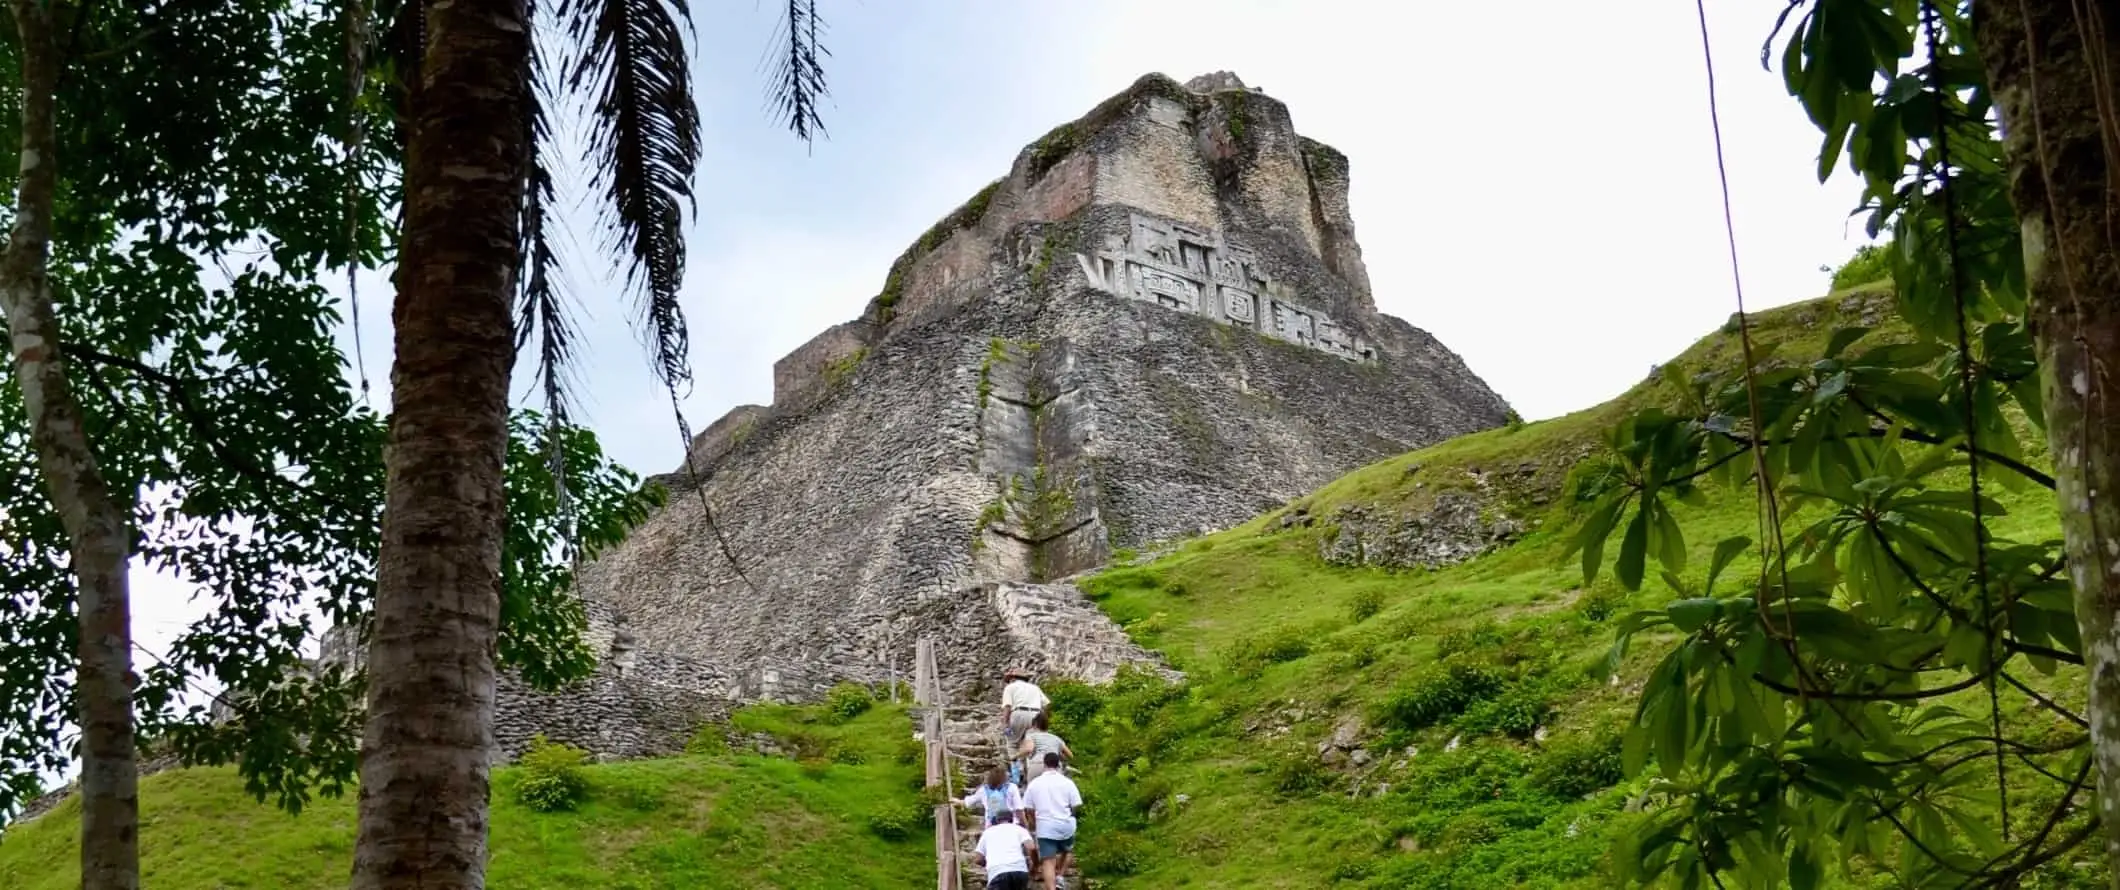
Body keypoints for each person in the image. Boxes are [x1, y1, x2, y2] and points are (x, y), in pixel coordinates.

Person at [1021, 752, 1083, 890]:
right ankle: (1060, 875)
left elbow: (1028, 808)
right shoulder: (1068, 782)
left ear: (1044, 765)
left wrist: (1033, 822)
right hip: (1066, 824)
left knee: (1048, 861)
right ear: (1059, 764)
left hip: (1045, 826)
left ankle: (1051, 887)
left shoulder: (1035, 784)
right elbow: (1076, 804)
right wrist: (1071, 816)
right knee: (1068, 851)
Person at [972, 809, 1038, 890]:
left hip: (997, 872)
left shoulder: (988, 832)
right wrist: (1034, 864)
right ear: (1011, 819)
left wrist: (987, 863)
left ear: (996, 820)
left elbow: (977, 858)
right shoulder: (1019, 829)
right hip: (1019, 871)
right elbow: (1031, 847)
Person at [958, 765, 1026, 828]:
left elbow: (968, 801)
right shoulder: (1012, 787)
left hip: (991, 827)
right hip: (1011, 825)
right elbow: (1019, 810)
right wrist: (1024, 825)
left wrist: (956, 801)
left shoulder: (983, 790)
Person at [1017, 710, 1074, 783]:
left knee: (1033, 790)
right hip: (1054, 767)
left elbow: (1029, 749)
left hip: (1038, 764)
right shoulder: (1056, 738)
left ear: (1035, 724)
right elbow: (1070, 755)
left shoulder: (1031, 736)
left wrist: (1015, 756)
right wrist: (1060, 756)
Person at [998, 667, 1049, 748]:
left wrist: (1005, 724)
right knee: (1034, 744)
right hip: (1036, 716)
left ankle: (1016, 759)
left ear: (1013, 678)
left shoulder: (1010, 687)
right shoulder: (1035, 687)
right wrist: (1044, 720)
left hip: (1019, 715)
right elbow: (1047, 705)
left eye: (1009, 680)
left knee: (1013, 744)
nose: (1008, 682)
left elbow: (1007, 706)